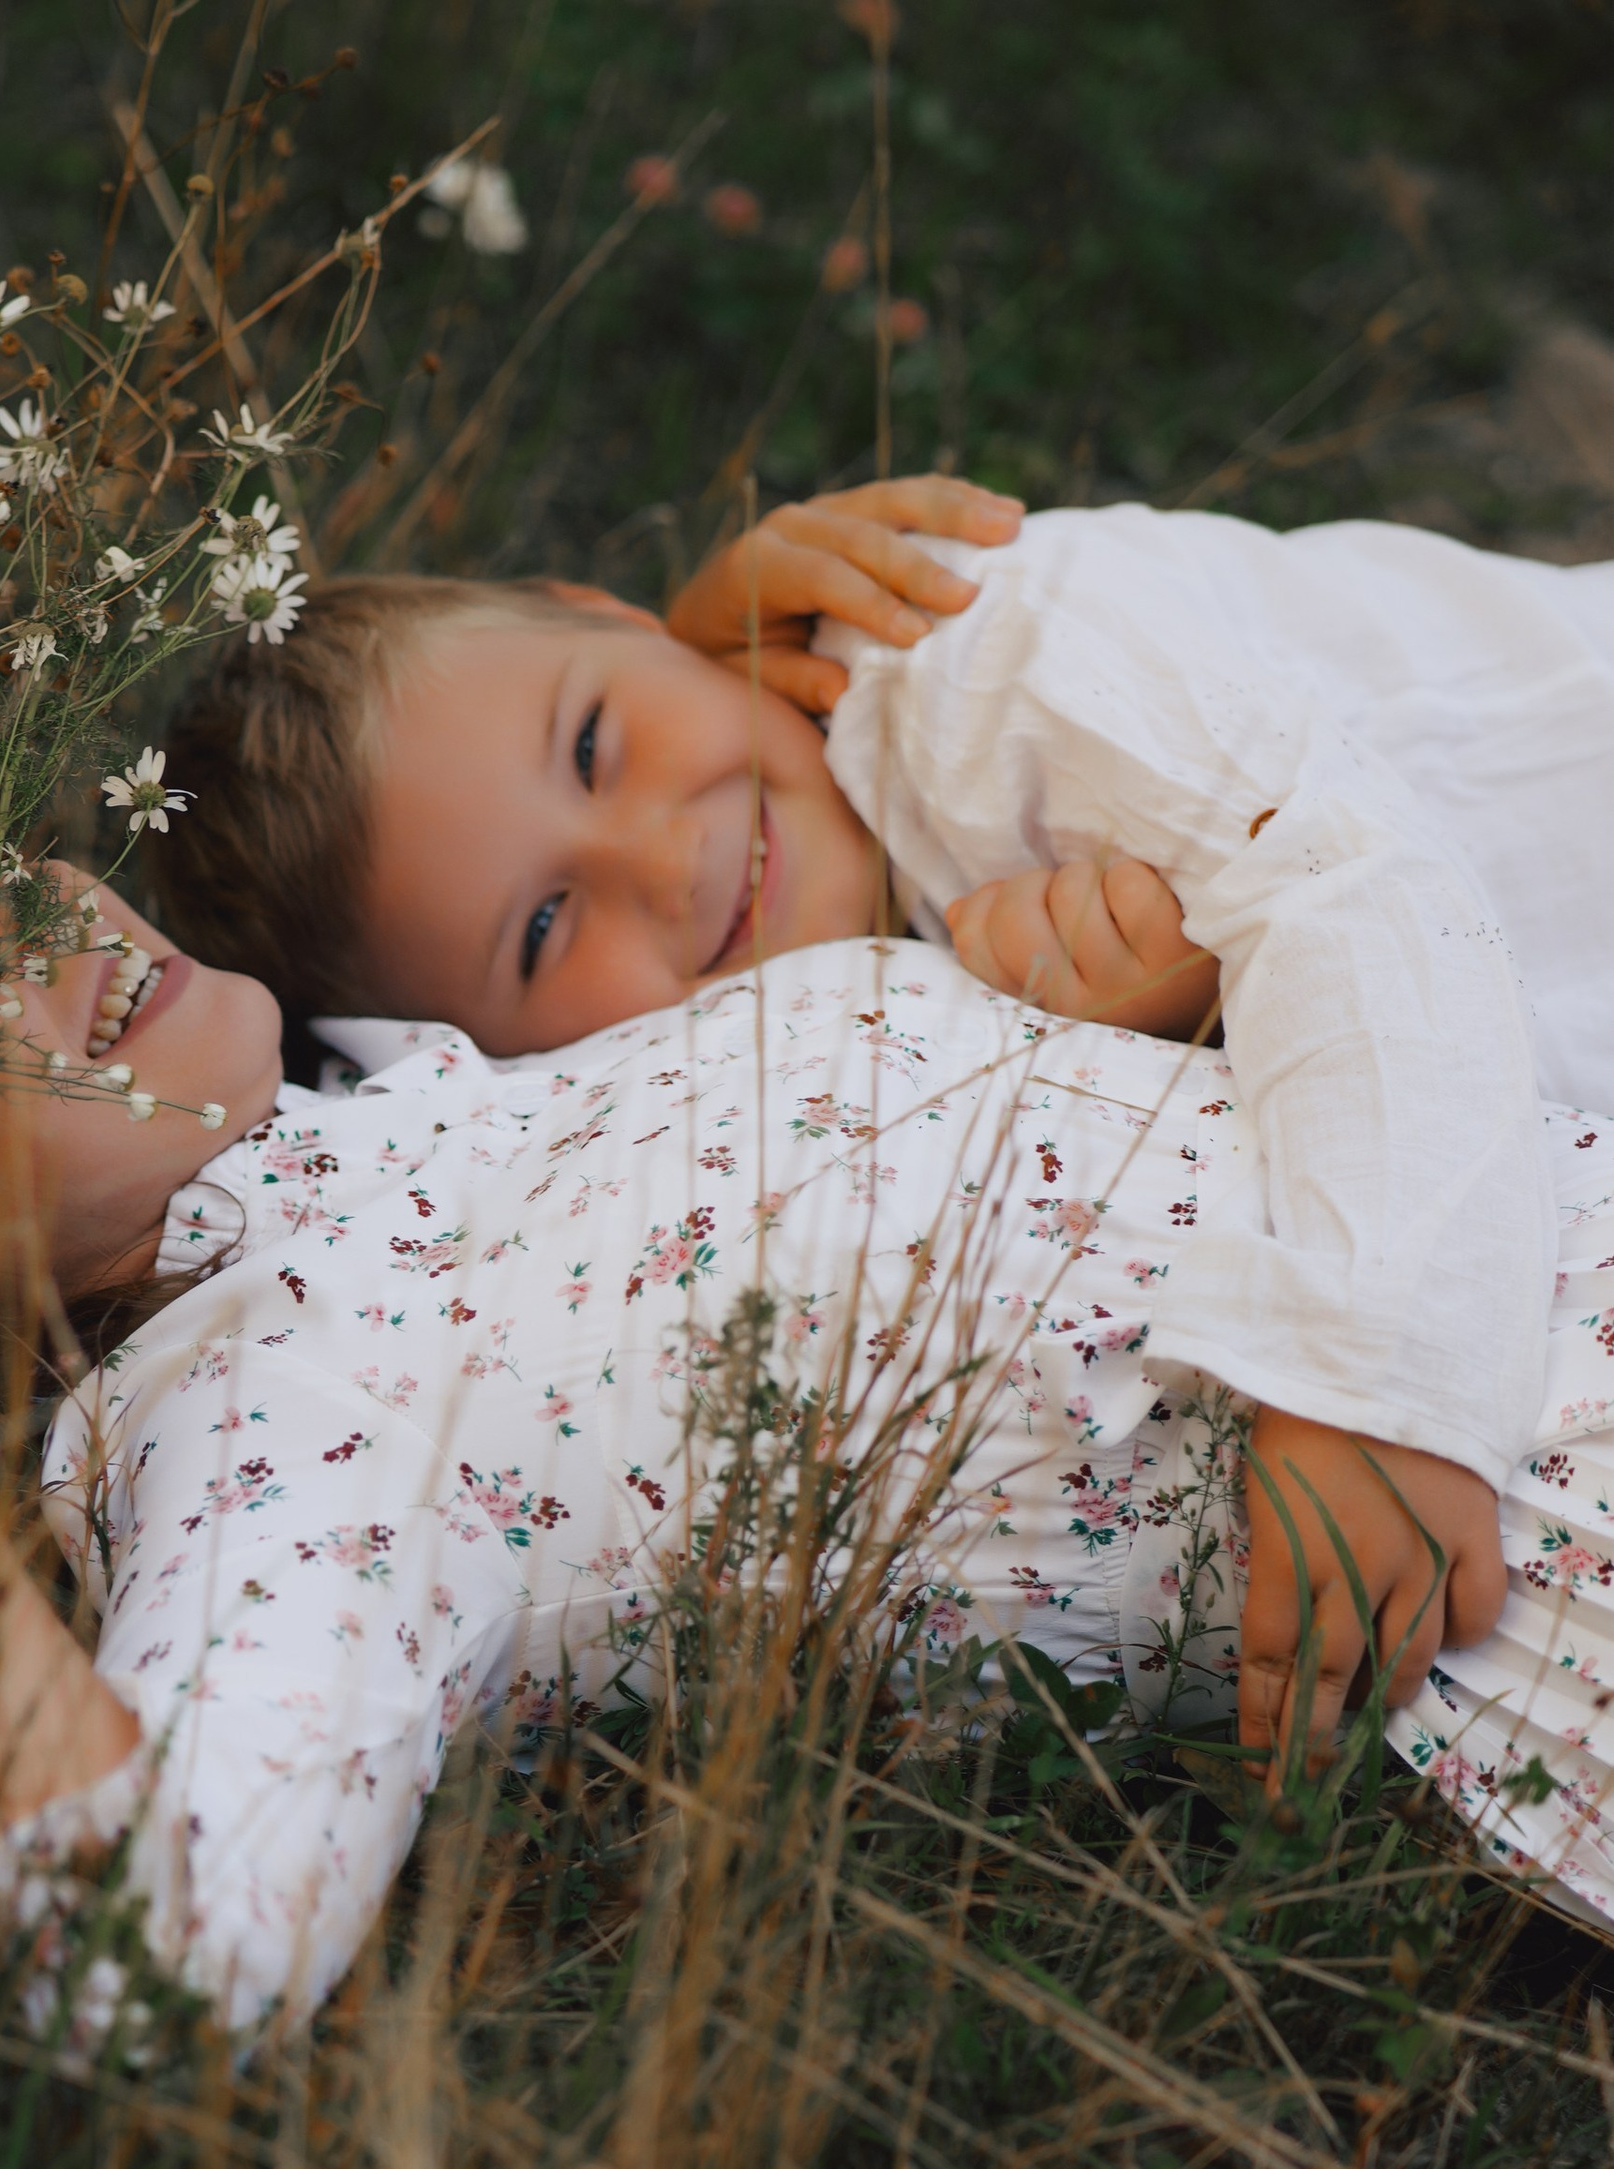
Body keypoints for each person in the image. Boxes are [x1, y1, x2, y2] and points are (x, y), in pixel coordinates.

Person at [0, 880, 1614, 2041]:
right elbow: (139, 1950)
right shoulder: (286, 1412)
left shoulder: (445, 1068)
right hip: (1542, 1541)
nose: (29, 922)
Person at [151, 487, 1614, 1769]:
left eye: (596, 740)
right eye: (543, 925)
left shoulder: (972, 653)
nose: (666, 857)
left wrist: (1378, 1380)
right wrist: (1172, 1018)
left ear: (622, 615)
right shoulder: (888, 1010)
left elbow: (1353, 887)